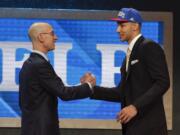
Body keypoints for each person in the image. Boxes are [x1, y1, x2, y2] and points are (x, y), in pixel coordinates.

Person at [81, 8, 170, 135]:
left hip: (150, 128)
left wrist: (135, 107)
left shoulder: (149, 47)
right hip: (133, 128)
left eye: (122, 25)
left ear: (135, 26)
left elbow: (163, 82)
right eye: (118, 25)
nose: (118, 30)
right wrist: (90, 89)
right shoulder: (128, 56)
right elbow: (121, 93)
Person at [19, 22, 95, 135]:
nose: (56, 37)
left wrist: (82, 85)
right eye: (52, 34)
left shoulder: (30, 63)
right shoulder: (39, 64)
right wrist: (88, 85)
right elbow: (64, 93)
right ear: (41, 37)